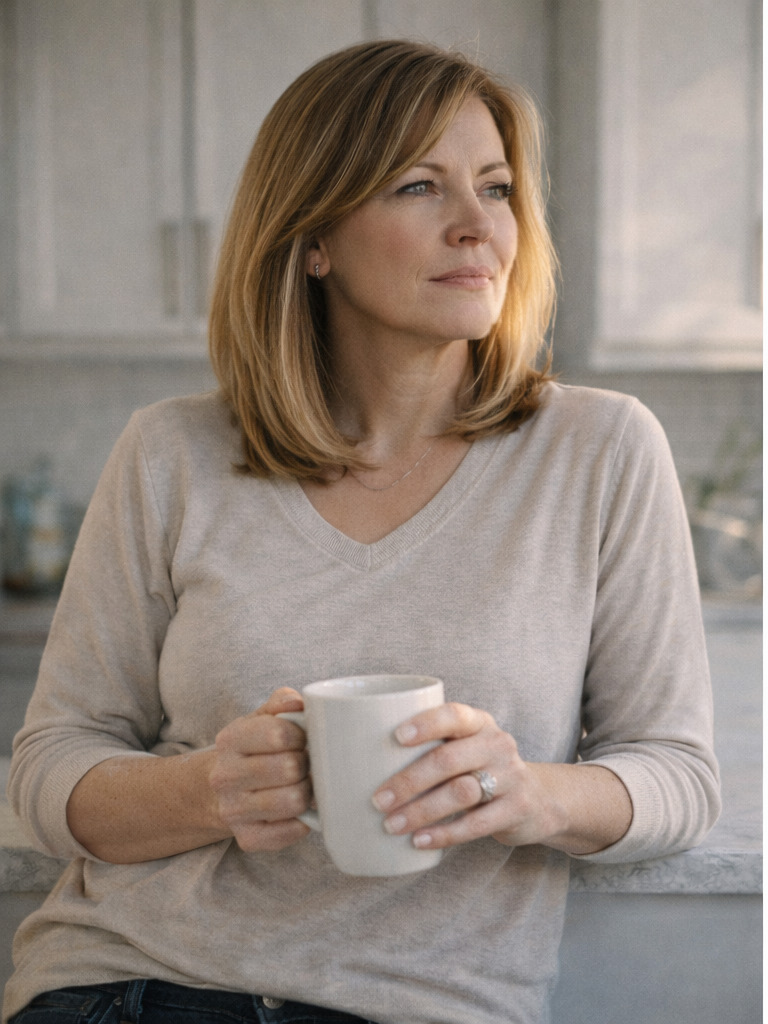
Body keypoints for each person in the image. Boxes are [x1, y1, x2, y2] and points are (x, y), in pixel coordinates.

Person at [3, 39, 720, 1024]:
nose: (478, 227)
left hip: (419, 1006)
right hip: (128, 985)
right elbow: (46, 772)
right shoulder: (169, 453)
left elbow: (675, 775)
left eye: (498, 187)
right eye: (422, 186)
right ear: (312, 238)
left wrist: (531, 795)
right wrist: (208, 790)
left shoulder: (600, 449)